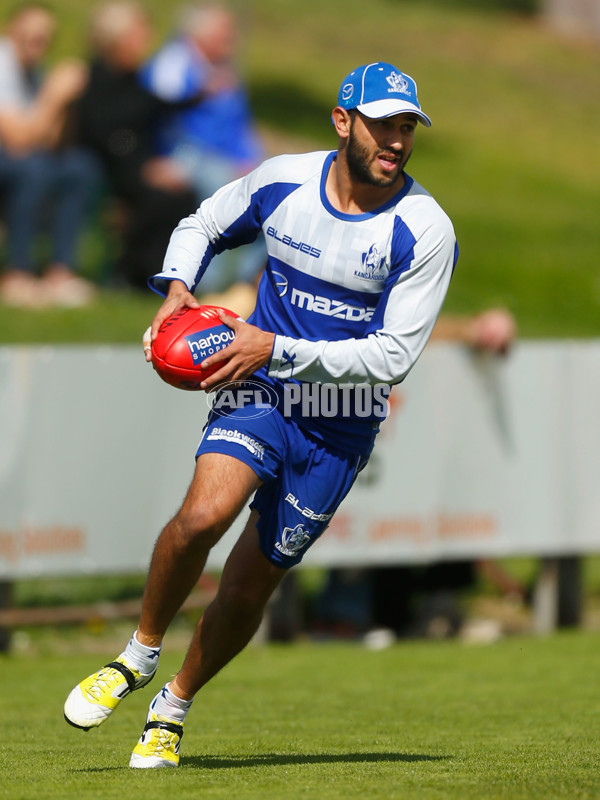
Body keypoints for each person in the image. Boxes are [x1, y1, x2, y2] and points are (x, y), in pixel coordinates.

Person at [63, 61, 458, 768]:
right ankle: (136, 656)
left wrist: (272, 342)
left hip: (341, 416)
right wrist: (180, 285)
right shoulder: (284, 182)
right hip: (262, 386)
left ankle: (174, 706)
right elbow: (205, 221)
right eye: (382, 125)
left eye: (407, 127)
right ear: (344, 122)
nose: (396, 140)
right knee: (202, 518)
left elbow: (392, 358)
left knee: (252, 579)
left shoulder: (424, 229)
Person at [140, 1, 266, 297]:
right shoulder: (175, 61)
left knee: (270, 193)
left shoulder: (225, 68)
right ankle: (207, 288)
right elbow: (158, 113)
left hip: (224, 157)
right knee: (221, 193)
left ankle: (246, 284)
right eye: (224, 32)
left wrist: (251, 160)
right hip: (182, 153)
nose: (231, 40)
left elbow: (239, 124)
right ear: (200, 34)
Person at [74, 1, 197, 289]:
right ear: (116, 38)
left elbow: (157, 107)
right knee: (160, 197)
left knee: (183, 194)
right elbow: (108, 138)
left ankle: (170, 277)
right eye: (138, 34)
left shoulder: (134, 80)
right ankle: (131, 273)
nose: (145, 42)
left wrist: (201, 94)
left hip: (136, 166)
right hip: (105, 169)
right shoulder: (94, 80)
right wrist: (143, 169)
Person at [0, 2, 99, 307]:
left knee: (80, 167)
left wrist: (69, 103)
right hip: (14, 159)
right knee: (32, 169)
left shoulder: (34, 72)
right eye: (30, 36)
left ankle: (60, 270)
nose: (37, 44)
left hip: (23, 159)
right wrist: (55, 95)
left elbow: (53, 141)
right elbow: (17, 139)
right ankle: (18, 272)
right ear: (12, 31)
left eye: (44, 39)